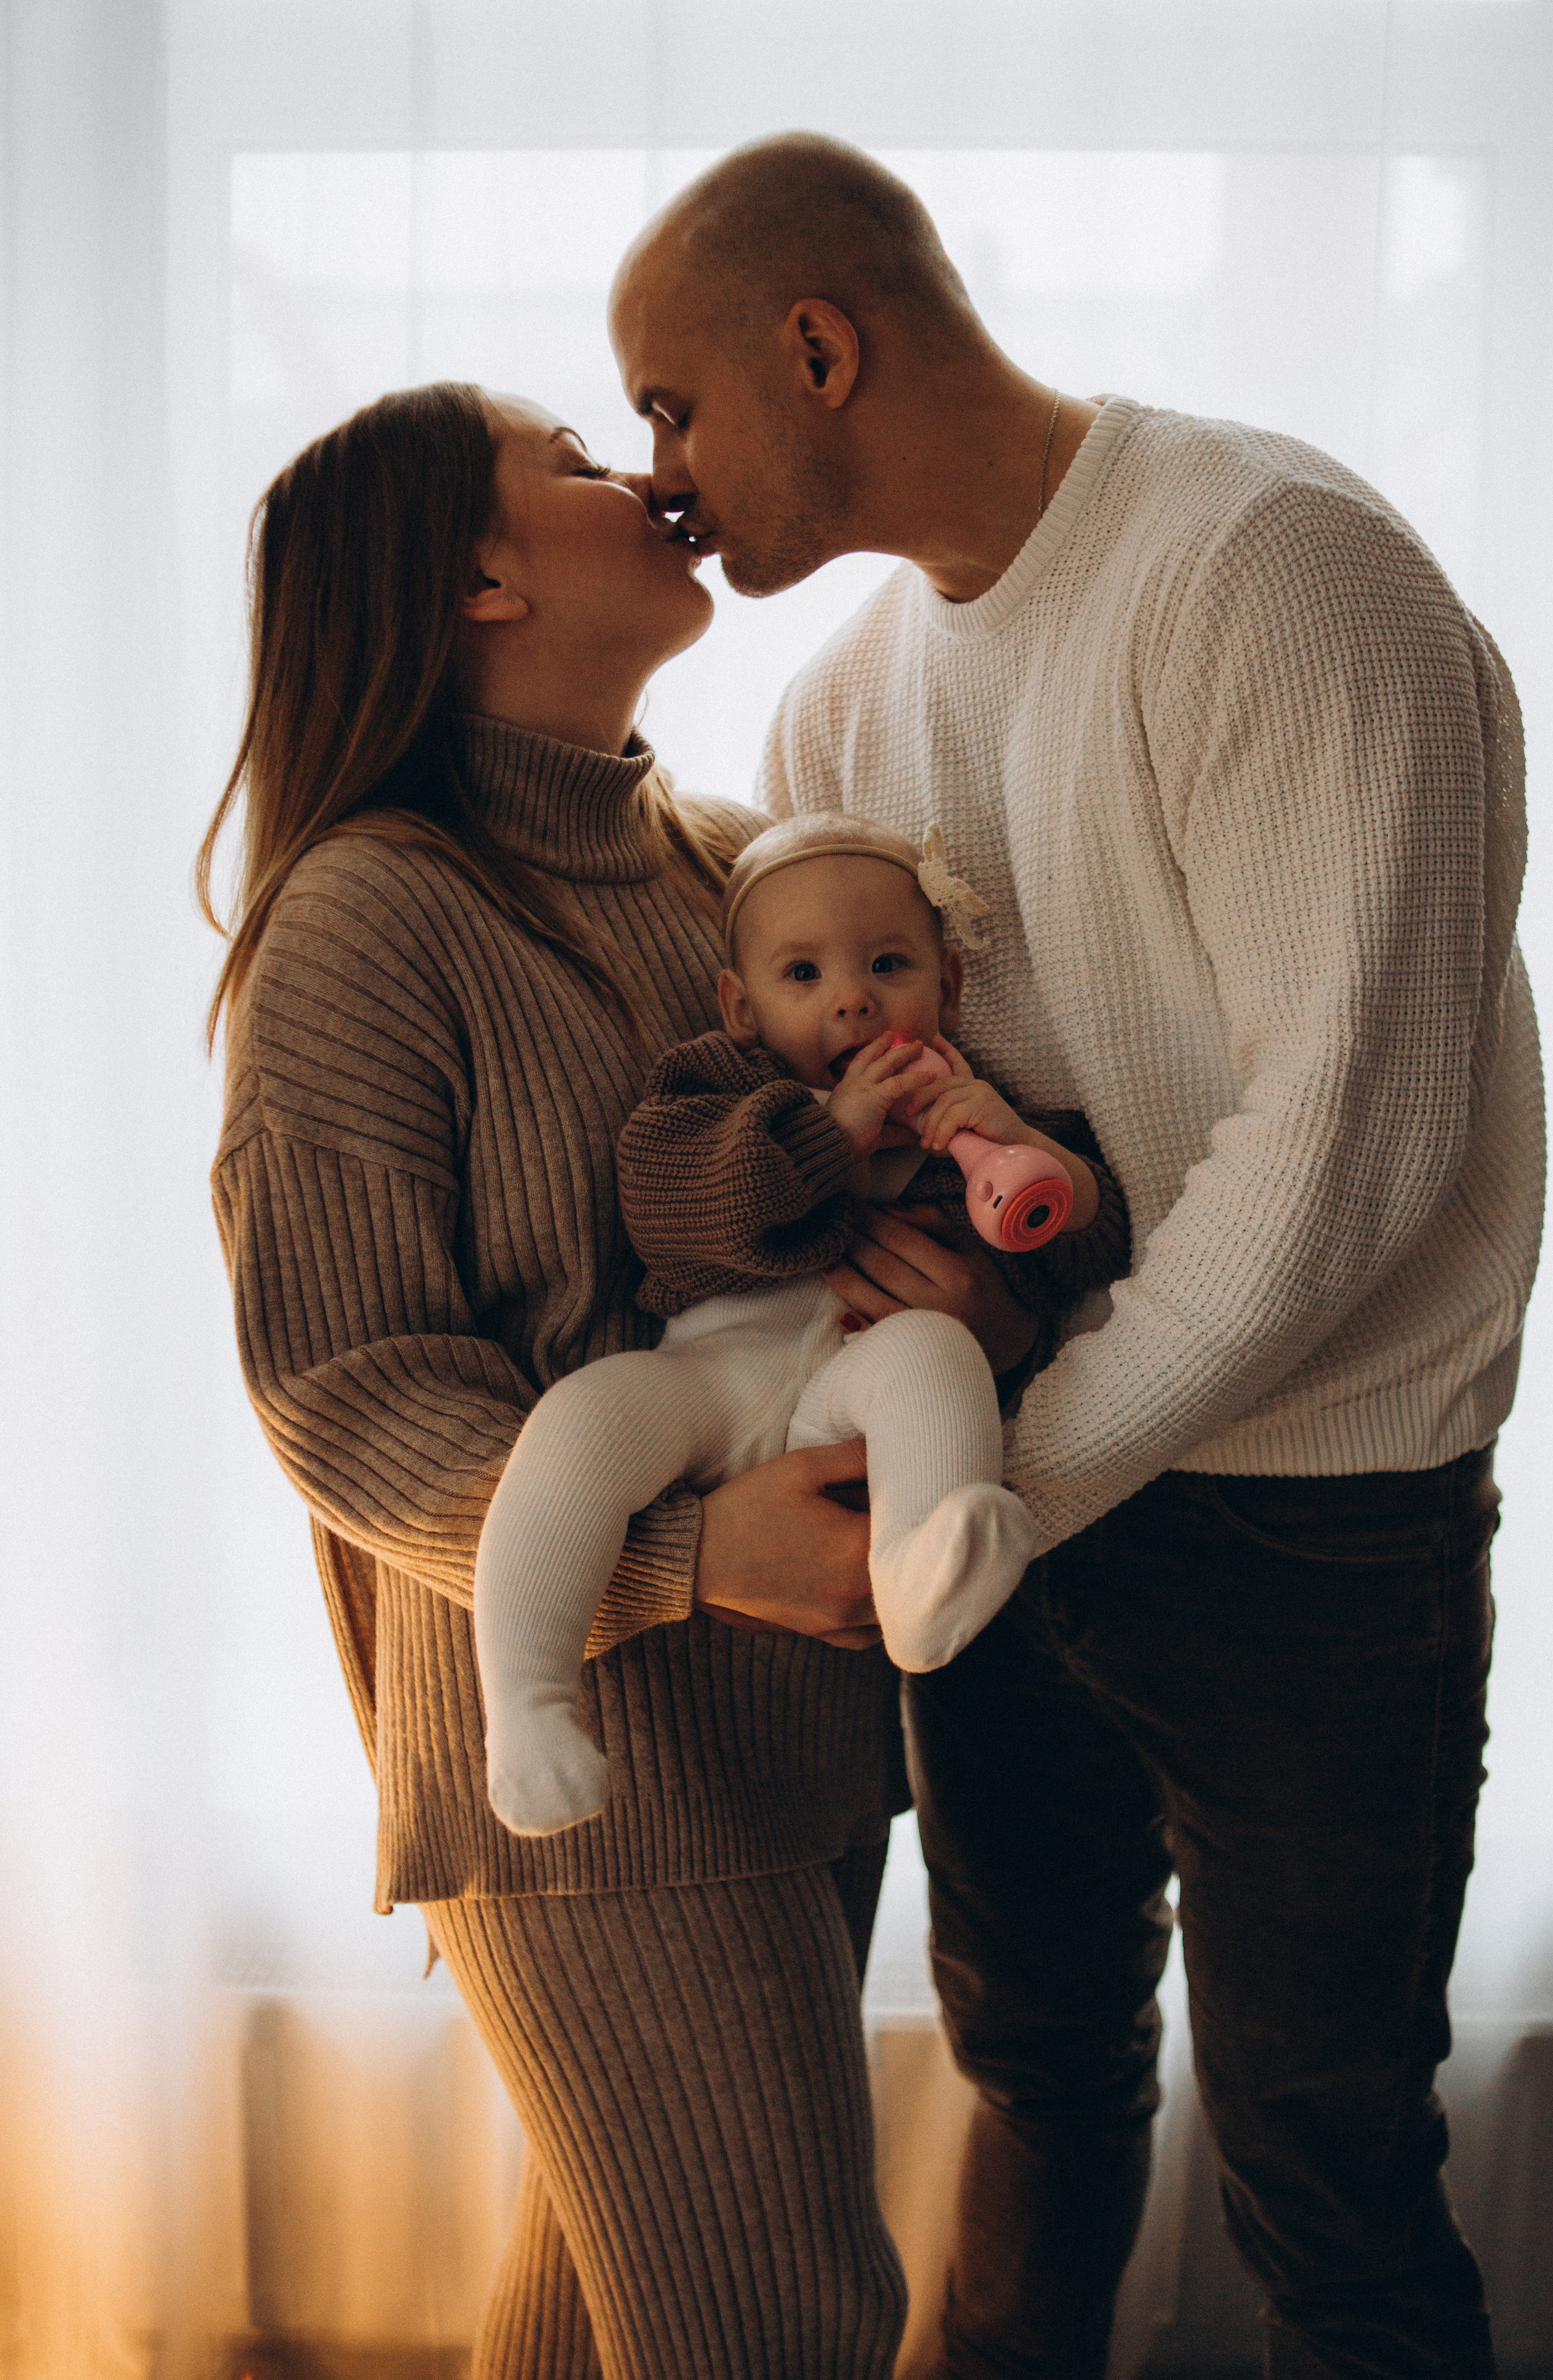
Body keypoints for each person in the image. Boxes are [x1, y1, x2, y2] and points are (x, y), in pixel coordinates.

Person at [608, 134, 1545, 2379]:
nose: (659, 477)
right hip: (1008, 1510)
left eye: (670, 405)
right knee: (1032, 2076)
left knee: (1327, 2158)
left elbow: (1353, 1150)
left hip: (1311, 1522)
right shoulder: (844, 713)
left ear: (815, 345)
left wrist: (1008, 1478)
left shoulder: (1275, 573)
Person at [199, 379, 1019, 2378]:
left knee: (611, 2313)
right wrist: (681, 1552)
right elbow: (343, 1379)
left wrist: (962, 1304)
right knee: (783, 2324)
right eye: (573, 459)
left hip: (801, 1721)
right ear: (476, 574)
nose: (648, 474)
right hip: (586, 1759)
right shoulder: (368, 916)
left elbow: (858, 1202)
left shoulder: (724, 878)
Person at [476, 810, 1128, 1834]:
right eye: (804, 976)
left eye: (887, 964)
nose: (854, 998)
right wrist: (830, 1134)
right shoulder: (711, 1091)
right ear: (740, 1008)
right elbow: (671, 1199)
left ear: (947, 985)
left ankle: (919, 1576)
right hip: (712, 1376)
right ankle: (528, 1704)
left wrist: (1053, 1175)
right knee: (580, 1419)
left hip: (849, 1400)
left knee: (935, 1352)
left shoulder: (982, 1114)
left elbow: (1094, 1253)